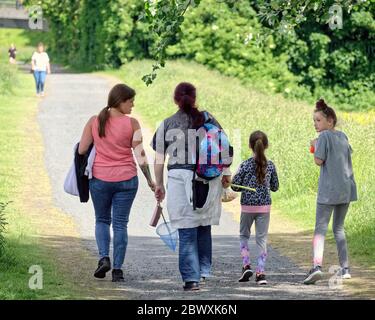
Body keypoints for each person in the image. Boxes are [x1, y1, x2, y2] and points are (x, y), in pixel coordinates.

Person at [152, 82, 233, 291]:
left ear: (175, 99)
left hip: (180, 179)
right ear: (194, 98)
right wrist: (226, 173)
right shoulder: (208, 118)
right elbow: (225, 147)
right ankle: (203, 271)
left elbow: (159, 159)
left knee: (187, 229)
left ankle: (191, 279)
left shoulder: (167, 124)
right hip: (208, 178)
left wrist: (158, 184)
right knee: (203, 225)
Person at [78, 83, 155, 282]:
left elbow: (82, 149)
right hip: (127, 180)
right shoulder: (133, 124)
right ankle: (118, 270)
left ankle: (104, 257)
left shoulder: (94, 121)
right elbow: (140, 154)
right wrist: (150, 180)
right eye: (130, 101)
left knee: (102, 220)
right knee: (120, 225)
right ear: (120, 101)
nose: (133, 105)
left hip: (100, 179)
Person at [303, 99, 357, 285]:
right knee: (339, 229)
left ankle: (316, 267)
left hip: (328, 191)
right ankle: (345, 269)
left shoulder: (324, 137)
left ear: (330, 121)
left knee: (320, 230)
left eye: (318, 120)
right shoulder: (343, 136)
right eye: (314, 121)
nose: (315, 124)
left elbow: (319, 160)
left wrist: (314, 145)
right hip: (346, 190)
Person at [231, 131, 279, 285]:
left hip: (247, 208)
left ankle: (246, 265)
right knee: (261, 239)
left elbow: (235, 186)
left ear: (250, 146)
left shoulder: (244, 165)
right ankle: (261, 273)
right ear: (266, 146)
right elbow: (275, 187)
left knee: (244, 235)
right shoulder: (270, 165)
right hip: (264, 207)